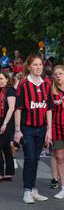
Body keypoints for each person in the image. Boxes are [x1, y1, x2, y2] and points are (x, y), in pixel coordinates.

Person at [14, 53, 52, 204]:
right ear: (29, 67)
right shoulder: (23, 84)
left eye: (40, 65)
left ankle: (33, 188)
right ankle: (27, 191)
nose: (38, 67)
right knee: (29, 159)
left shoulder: (46, 84)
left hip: (41, 128)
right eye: (35, 64)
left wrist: (49, 129)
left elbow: (49, 108)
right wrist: (17, 130)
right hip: (27, 128)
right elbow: (18, 108)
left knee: (36, 159)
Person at [0, 72, 16, 182]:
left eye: (1, 78)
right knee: (6, 148)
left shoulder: (10, 90)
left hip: (7, 123)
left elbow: (11, 108)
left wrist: (5, 124)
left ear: (7, 79)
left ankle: (0, 173)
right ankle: (9, 173)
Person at [50, 65, 64, 199]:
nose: (58, 76)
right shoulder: (52, 92)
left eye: (60, 73)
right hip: (56, 128)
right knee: (59, 158)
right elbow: (48, 112)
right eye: (56, 74)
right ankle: (63, 187)